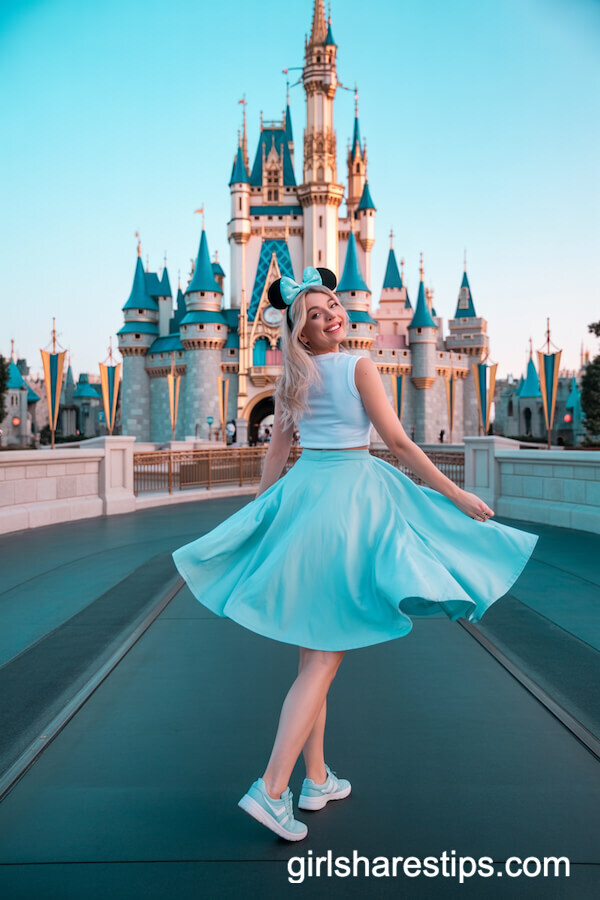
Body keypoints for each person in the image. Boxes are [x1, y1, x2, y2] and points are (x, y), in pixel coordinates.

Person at [172, 266, 538, 843]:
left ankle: (315, 780)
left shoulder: (292, 378)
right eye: (315, 314)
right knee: (323, 660)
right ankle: (270, 789)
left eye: (333, 304)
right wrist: (458, 492)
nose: (332, 315)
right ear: (304, 334)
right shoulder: (359, 365)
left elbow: (278, 455)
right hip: (348, 509)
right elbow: (396, 442)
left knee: (312, 655)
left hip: (307, 503)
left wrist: (262, 512)